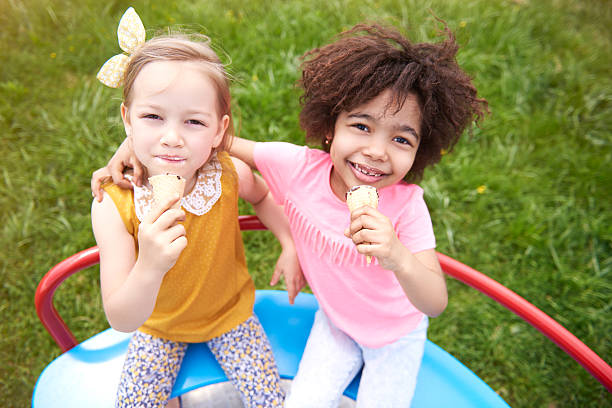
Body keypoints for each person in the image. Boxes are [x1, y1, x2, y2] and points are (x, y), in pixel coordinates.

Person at [93, 21, 488, 407]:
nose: (377, 152)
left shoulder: (407, 205)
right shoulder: (297, 168)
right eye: (362, 126)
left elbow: (434, 303)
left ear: (421, 150)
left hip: (394, 336)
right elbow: (209, 140)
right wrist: (131, 147)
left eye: (401, 139)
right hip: (327, 324)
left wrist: (397, 256)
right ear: (330, 126)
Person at [91, 8, 303, 407]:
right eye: (152, 116)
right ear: (127, 120)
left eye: (193, 122)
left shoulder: (227, 173)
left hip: (230, 314)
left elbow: (260, 197)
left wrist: (289, 243)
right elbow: (121, 317)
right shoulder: (113, 205)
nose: (172, 138)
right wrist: (150, 264)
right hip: (158, 327)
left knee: (271, 401)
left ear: (219, 130)